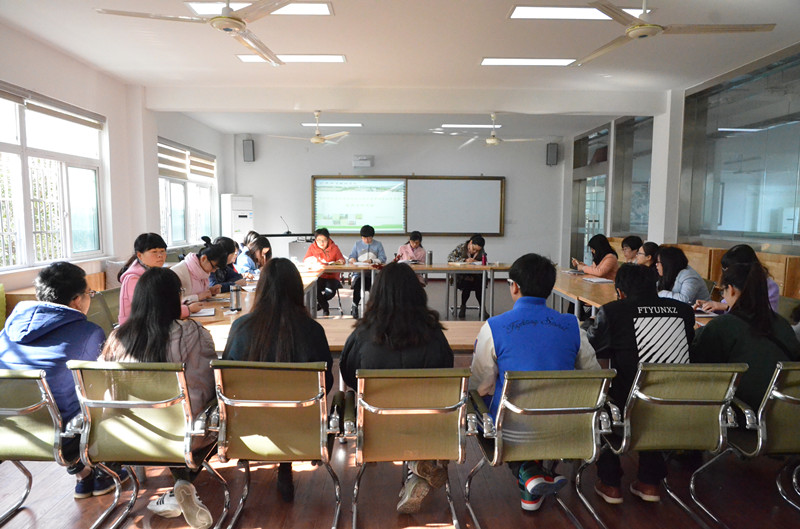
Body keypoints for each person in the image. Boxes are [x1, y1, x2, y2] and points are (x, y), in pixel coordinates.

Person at [470, 253, 600, 512]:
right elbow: (593, 375)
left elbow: (481, 385)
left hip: (512, 428)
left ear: (515, 287)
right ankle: (533, 478)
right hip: (565, 423)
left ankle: (528, 470)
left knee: (480, 400)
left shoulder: (494, 327)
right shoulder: (572, 325)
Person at [101, 267, 216, 529]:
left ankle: (176, 493)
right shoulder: (193, 333)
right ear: (174, 298)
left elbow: (106, 392)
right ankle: (182, 484)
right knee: (210, 416)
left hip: (124, 436)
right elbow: (206, 387)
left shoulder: (116, 338)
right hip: (181, 435)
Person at [0, 262, 122, 499]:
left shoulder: (7, 333)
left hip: (8, 431)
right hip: (61, 437)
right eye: (89, 294)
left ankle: (83, 475)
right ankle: (105, 472)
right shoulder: (89, 333)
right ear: (76, 300)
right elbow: (102, 386)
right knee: (108, 395)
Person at [340, 262, 453, 514]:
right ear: (418, 294)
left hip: (376, 425)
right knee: (416, 413)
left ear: (377, 294)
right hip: (427, 422)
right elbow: (446, 373)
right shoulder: (435, 334)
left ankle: (418, 468)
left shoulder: (363, 334)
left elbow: (349, 374)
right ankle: (419, 465)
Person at [224, 258, 333, 503]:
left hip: (250, 424)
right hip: (301, 425)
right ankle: (285, 464)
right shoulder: (312, 330)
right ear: (297, 290)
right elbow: (326, 381)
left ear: (261, 289)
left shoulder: (240, 328)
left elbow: (227, 380)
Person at [586, 264, 695, 505]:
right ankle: (649, 481)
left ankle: (610, 482)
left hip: (629, 407)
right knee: (653, 388)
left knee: (601, 397)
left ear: (620, 292)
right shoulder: (684, 311)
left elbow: (591, 346)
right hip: (678, 404)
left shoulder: (613, 312)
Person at [690, 262, 800, 410]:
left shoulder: (722, 326)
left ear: (731, 289)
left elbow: (697, 371)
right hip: (786, 410)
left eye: (722, 292)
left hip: (742, 412)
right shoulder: (783, 325)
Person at [694, 244, 780, 313]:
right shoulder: (735, 281)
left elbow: (765, 316)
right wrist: (711, 306)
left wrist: (726, 307)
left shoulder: (769, 286)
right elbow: (725, 305)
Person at [118, 232, 168, 325]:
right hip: (134, 329)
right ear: (140, 255)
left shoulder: (158, 273)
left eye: (162, 251)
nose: (160, 255)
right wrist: (186, 309)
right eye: (154, 252)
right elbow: (150, 311)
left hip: (154, 325)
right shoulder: (133, 279)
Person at [171, 243, 227, 315]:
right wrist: (197, 297)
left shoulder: (201, 271)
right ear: (204, 259)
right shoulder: (178, 272)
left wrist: (210, 291)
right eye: (214, 267)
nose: (214, 271)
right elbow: (171, 302)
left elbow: (198, 292)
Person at [304, 228, 346, 316]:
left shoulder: (334, 248)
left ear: (328, 239)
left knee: (330, 292)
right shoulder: (312, 247)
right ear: (316, 240)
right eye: (319, 240)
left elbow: (342, 260)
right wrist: (311, 262)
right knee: (314, 289)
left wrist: (340, 261)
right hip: (319, 276)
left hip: (332, 276)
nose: (322, 243)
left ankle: (321, 304)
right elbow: (306, 260)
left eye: (324, 240)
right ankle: (325, 307)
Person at [348, 225, 387, 318]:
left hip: (374, 274)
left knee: (376, 287)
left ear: (372, 237)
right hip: (359, 274)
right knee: (358, 285)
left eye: (369, 238)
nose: (366, 240)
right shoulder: (357, 244)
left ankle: (376, 309)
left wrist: (372, 261)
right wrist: (352, 259)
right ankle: (354, 306)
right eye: (364, 238)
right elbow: (351, 257)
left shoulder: (378, 244)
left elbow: (383, 258)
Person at [447, 234, 487, 319]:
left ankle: (482, 308)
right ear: (471, 243)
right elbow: (450, 258)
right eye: (474, 249)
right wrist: (464, 260)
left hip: (476, 276)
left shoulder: (481, 250)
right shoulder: (461, 248)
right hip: (461, 276)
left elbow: (484, 262)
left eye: (477, 250)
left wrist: (476, 261)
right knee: (468, 282)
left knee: (479, 283)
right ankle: (463, 306)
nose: (474, 251)